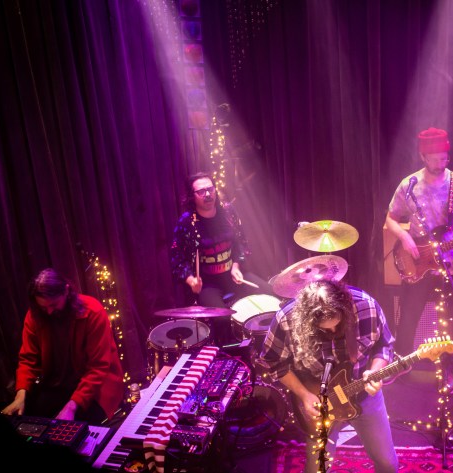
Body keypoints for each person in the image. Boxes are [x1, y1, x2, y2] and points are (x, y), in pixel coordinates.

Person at [258, 280, 398, 473]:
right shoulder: (287, 319)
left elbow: (384, 344)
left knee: (388, 463)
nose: (333, 332)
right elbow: (272, 361)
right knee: (317, 469)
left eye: (338, 325)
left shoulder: (367, 307)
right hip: (319, 403)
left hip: (363, 395)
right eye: (324, 330)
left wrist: (375, 370)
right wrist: (304, 395)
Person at [385, 127, 453, 357]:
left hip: (452, 265)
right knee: (408, 319)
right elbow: (390, 218)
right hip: (418, 262)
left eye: (445, 158)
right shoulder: (409, 185)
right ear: (423, 156)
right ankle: (403, 365)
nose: (442, 163)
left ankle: (447, 368)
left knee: (450, 324)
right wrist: (405, 237)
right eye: (436, 159)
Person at [1, 268, 124, 424]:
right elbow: (28, 360)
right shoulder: (34, 315)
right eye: (44, 308)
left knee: (76, 428)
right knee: (30, 422)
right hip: (57, 386)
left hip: (97, 389)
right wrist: (20, 396)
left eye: (53, 305)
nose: (49, 312)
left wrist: (71, 407)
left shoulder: (93, 311)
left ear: (66, 291)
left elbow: (98, 368)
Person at [170, 172, 271, 345]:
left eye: (210, 189)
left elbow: (241, 242)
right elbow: (176, 258)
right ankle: (228, 353)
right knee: (222, 319)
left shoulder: (228, 211)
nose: (207, 194)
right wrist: (191, 281)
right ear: (192, 196)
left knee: (270, 293)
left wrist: (236, 266)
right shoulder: (187, 223)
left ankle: (266, 344)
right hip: (208, 283)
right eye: (201, 191)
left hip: (233, 275)